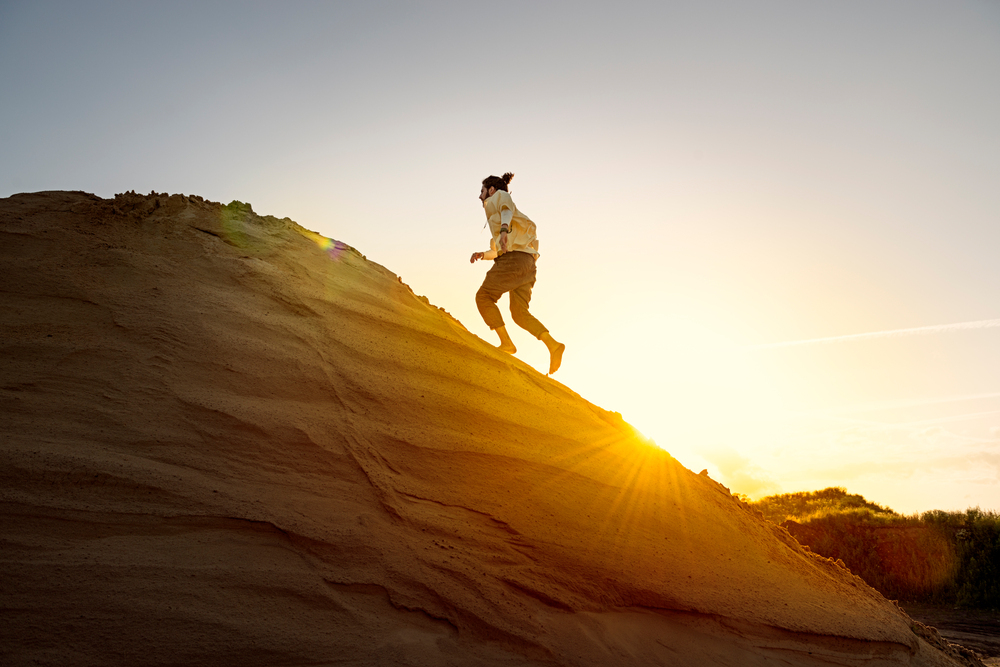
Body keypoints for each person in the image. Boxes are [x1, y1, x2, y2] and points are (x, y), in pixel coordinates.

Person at [469, 172, 565, 374]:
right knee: (519, 313)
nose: (480, 196)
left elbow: (506, 210)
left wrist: (503, 230)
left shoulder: (500, 198)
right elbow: (497, 250)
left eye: (482, 191)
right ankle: (553, 345)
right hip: (527, 264)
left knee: (484, 296)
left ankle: (506, 343)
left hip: (514, 260)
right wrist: (483, 255)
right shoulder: (500, 217)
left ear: (491, 190)